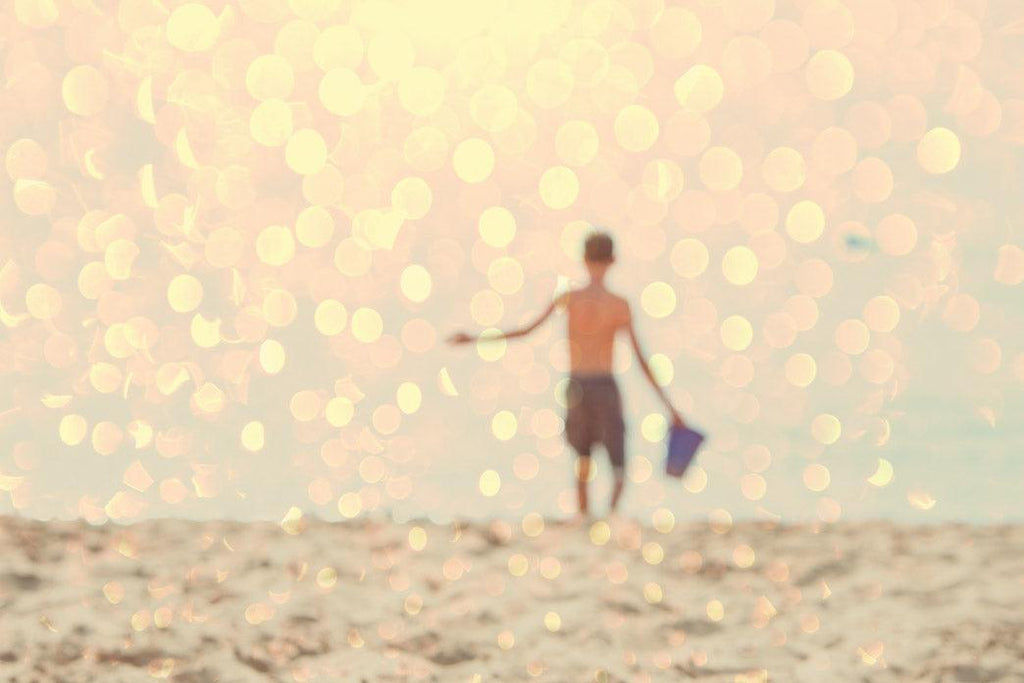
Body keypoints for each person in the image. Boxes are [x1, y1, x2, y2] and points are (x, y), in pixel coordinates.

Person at [447, 230, 686, 518]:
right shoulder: (619, 305)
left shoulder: (570, 298)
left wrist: (475, 338)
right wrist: (669, 406)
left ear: (584, 259)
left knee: (582, 457)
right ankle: (609, 516)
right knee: (618, 462)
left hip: (577, 386)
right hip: (604, 384)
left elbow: (525, 331)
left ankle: (584, 518)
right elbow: (641, 360)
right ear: (613, 260)